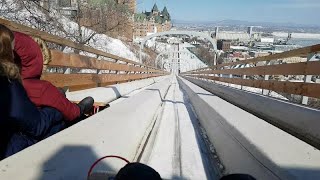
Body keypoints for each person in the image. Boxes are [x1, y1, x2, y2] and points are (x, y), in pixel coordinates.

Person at [0, 24, 63, 159]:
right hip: (7, 152)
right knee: (57, 125)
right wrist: (58, 109)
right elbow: (37, 125)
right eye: (11, 51)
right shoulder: (7, 82)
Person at [13, 31, 94, 121]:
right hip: (41, 129)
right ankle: (78, 107)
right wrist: (79, 108)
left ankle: (61, 98)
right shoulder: (41, 88)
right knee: (63, 105)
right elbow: (72, 113)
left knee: (58, 93)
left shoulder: (7, 83)